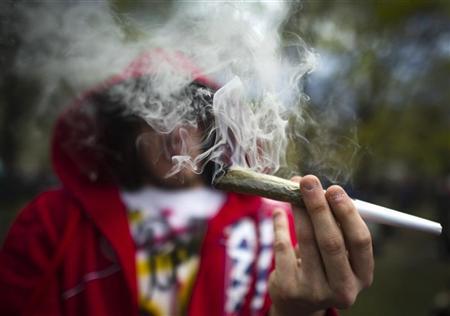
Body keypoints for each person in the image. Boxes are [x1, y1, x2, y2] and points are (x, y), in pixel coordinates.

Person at [0, 52, 374, 316]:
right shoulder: (52, 222)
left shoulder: (275, 227)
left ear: (213, 125)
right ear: (125, 129)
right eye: (154, 114)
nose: (176, 132)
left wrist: (297, 314)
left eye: (193, 114)